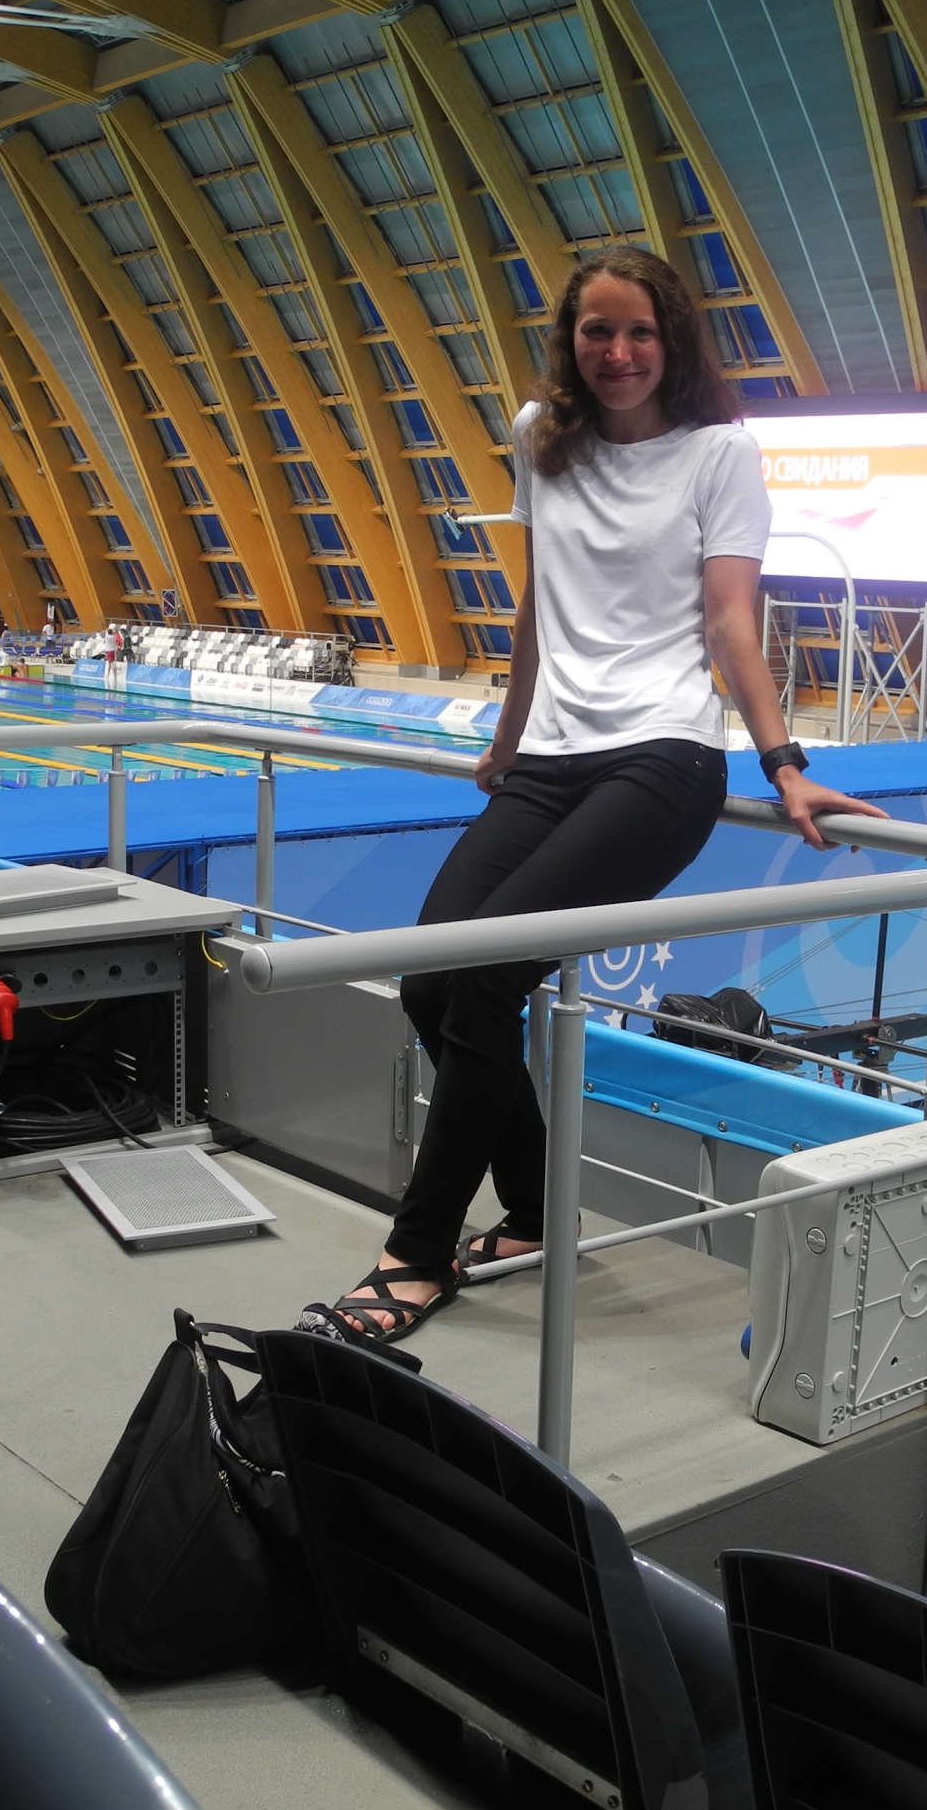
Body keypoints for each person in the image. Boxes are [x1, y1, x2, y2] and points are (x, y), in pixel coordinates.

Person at [300, 245, 883, 1345]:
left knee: (484, 982)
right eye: (596, 331)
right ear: (569, 342)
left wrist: (783, 763)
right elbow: (539, 601)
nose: (617, 352)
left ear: (673, 341)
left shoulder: (719, 452)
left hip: (661, 759)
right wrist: (505, 737)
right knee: (431, 985)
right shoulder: (541, 435)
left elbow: (729, 619)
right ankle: (531, 1217)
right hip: (549, 759)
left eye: (639, 331)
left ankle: (414, 1255)